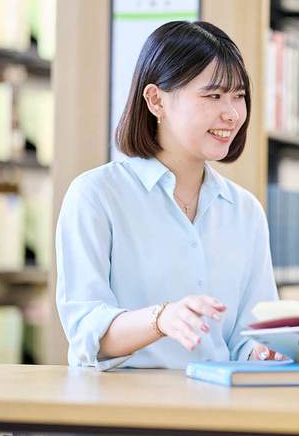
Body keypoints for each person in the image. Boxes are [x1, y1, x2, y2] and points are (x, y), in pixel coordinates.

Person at [56, 21, 280, 370]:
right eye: (213, 95)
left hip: (221, 412)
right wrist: (161, 319)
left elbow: (249, 335)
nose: (232, 113)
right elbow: (87, 331)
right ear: (156, 100)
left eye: (239, 96)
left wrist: (263, 350)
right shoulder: (96, 195)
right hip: (124, 413)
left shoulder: (245, 211)